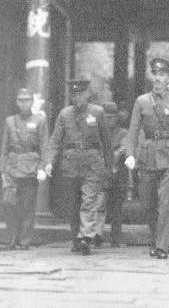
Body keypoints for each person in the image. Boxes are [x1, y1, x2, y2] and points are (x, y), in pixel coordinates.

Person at [124, 58, 169, 259]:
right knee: (148, 203)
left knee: (166, 203)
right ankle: (156, 238)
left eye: (162, 75)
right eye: (155, 74)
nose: (158, 78)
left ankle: (161, 246)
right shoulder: (142, 101)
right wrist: (130, 154)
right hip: (147, 155)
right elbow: (133, 130)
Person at [45, 79, 113, 255]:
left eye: (80, 94)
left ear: (87, 94)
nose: (77, 98)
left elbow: (106, 141)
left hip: (92, 162)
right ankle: (77, 238)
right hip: (70, 163)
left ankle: (86, 236)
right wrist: (48, 162)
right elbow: (55, 140)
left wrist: (109, 166)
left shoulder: (97, 112)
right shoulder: (64, 114)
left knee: (88, 200)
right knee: (73, 204)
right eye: (74, 94)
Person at [0, 88, 48, 250]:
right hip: (12, 168)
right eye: (20, 100)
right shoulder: (10, 121)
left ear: (32, 102)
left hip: (30, 168)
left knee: (27, 206)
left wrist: (42, 167)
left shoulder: (39, 120)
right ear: (17, 102)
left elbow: (44, 146)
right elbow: (4, 148)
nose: (23, 103)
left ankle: (24, 241)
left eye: (27, 100)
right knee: (8, 202)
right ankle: (13, 237)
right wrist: (2, 170)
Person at [95, 102, 129, 248]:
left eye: (111, 117)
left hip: (119, 175)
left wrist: (114, 157)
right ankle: (97, 235)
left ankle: (116, 239)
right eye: (105, 117)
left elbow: (123, 150)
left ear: (116, 118)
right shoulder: (97, 132)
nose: (108, 120)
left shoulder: (123, 133)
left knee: (117, 209)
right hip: (102, 173)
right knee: (99, 206)